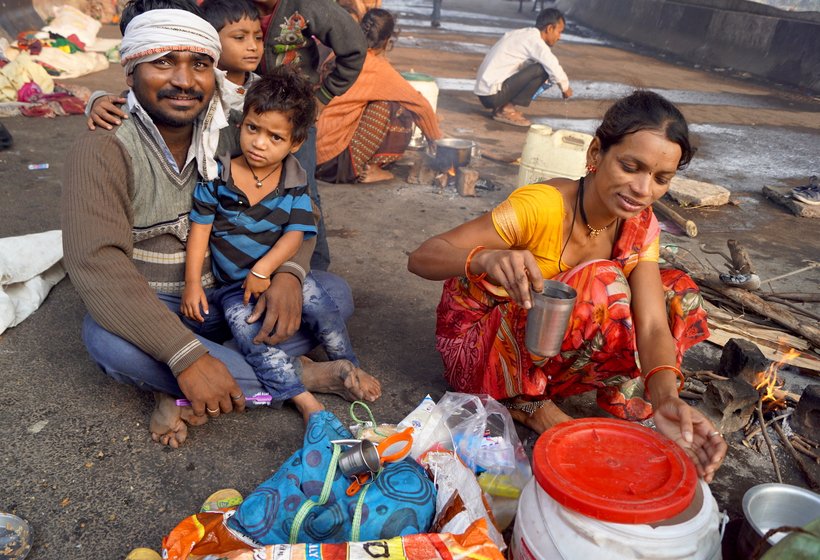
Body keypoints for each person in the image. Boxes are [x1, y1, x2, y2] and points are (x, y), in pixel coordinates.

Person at [63, 4, 380, 449]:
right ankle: (296, 374)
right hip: (162, 308)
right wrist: (184, 354)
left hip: (234, 293)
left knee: (333, 292)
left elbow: (299, 212)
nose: (184, 79)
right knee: (106, 340)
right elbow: (95, 263)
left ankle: (192, 383)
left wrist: (287, 274)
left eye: (199, 64)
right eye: (163, 61)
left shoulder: (234, 132)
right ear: (130, 72)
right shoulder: (105, 147)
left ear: (215, 73)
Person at [408, 90, 727, 483]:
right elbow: (422, 256)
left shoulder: (640, 225)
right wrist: (483, 257)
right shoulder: (541, 206)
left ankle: (560, 390)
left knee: (678, 294)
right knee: (603, 283)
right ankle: (527, 403)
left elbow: (653, 326)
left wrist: (666, 399)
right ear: (596, 154)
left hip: (543, 346)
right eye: (631, 166)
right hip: (480, 351)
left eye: (661, 178)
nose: (644, 190)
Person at [182, 67, 375, 424]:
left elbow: (295, 234)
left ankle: (349, 364)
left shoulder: (294, 182)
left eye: (275, 137)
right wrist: (193, 283)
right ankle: (304, 401)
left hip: (274, 276)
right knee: (250, 335)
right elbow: (200, 230)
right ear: (242, 124)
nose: (259, 143)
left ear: (294, 144)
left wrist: (264, 270)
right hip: (233, 290)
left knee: (324, 309)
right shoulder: (218, 176)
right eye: (253, 128)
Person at [252, 0, 368, 271]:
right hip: (247, 112)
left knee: (302, 188)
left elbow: (353, 46)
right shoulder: (228, 5)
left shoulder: (306, 5)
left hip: (296, 112)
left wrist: (324, 95)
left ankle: (315, 267)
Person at [315, 8, 442, 184]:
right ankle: (373, 169)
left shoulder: (332, 48)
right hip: (332, 163)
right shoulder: (377, 68)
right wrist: (436, 141)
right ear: (386, 40)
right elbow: (420, 105)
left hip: (306, 154)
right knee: (393, 105)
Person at [474, 7, 572, 127]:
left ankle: (502, 107)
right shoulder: (535, 41)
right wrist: (565, 87)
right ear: (549, 28)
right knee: (542, 69)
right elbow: (552, 65)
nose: (559, 37)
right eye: (559, 32)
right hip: (491, 95)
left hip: (487, 91)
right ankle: (507, 109)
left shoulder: (524, 34)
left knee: (535, 67)